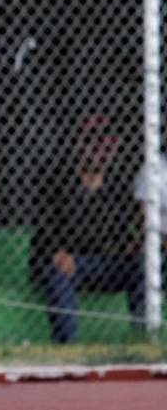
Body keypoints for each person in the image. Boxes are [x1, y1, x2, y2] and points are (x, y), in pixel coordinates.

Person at [29, 114, 144, 343]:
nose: (100, 152)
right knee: (56, 272)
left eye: (106, 147)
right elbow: (42, 226)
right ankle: (68, 347)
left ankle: (143, 338)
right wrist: (56, 251)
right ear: (79, 145)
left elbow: (126, 231)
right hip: (66, 261)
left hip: (102, 262)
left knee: (140, 268)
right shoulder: (56, 180)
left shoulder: (118, 185)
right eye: (92, 145)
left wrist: (134, 246)